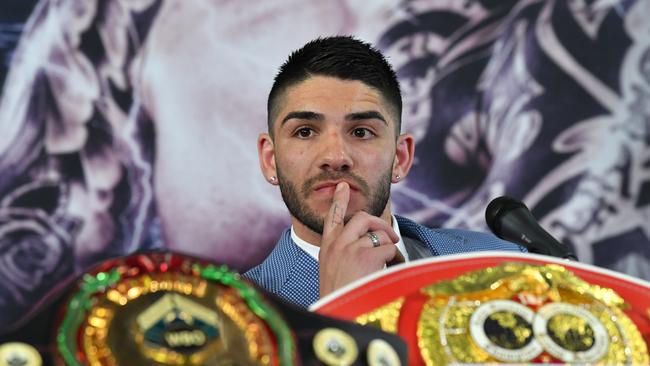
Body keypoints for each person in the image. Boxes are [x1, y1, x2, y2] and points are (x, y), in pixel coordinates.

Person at [244, 36, 525, 308]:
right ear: (270, 160)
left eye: (361, 132)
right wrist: (341, 307)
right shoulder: (235, 319)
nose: (335, 157)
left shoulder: (505, 268)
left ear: (400, 158)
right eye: (305, 132)